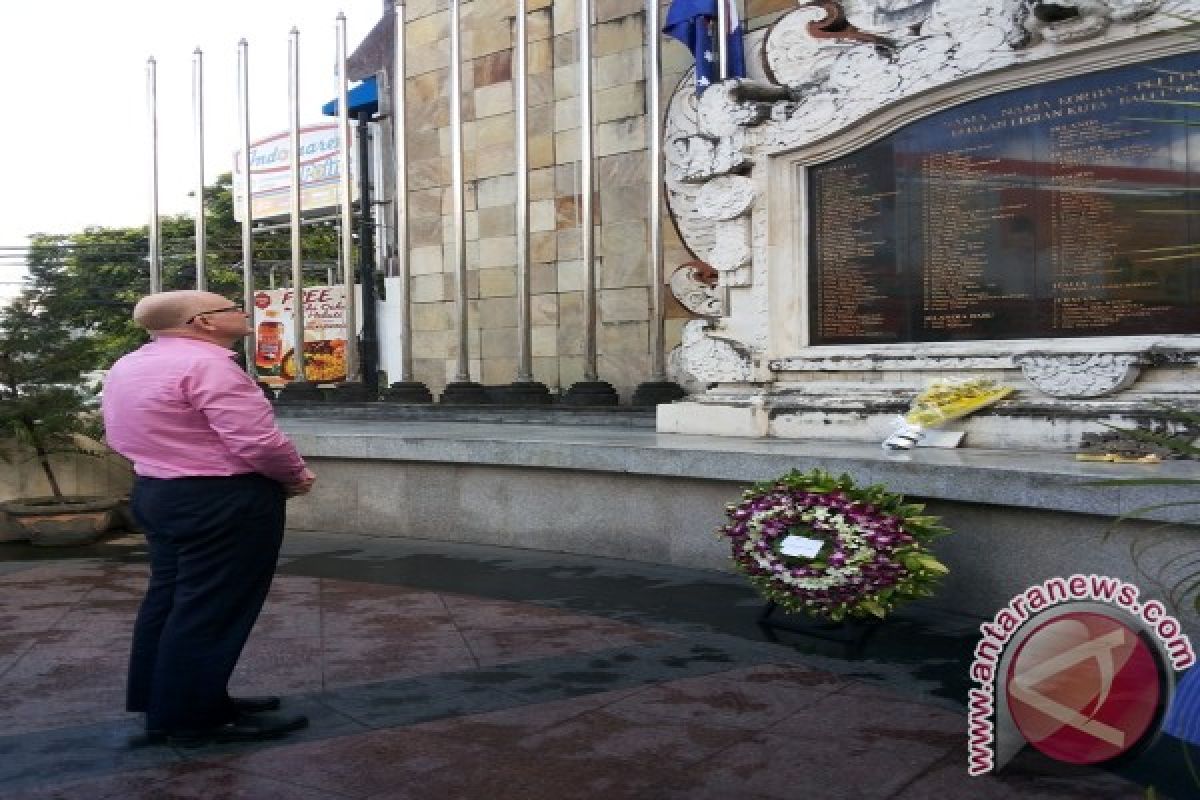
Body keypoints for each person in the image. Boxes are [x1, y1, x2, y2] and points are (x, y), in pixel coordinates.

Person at [102, 290, 316, 746]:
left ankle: (166, 704)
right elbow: (257, 441)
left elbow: (117, 434)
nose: (242, 312)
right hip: (221, 499)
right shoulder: (211, 365)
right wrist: (295, 475)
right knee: (212, 606)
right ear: (203, 321)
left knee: (170, 599)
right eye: (230, 307)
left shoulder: (129, 364)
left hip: (158, 492)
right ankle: (196, 717)